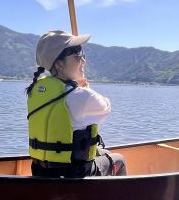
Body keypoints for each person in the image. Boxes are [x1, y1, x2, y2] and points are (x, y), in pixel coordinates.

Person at [26, 30, 127, 178]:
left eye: (83, 55)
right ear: (59, 64)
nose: (84, 61)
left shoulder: (36, 91)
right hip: (73, 174)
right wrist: (85, 87)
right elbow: (106, 108)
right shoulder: (82, 96)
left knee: (105, 153)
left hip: (41, 170)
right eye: (78, 56)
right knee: (120, 159)